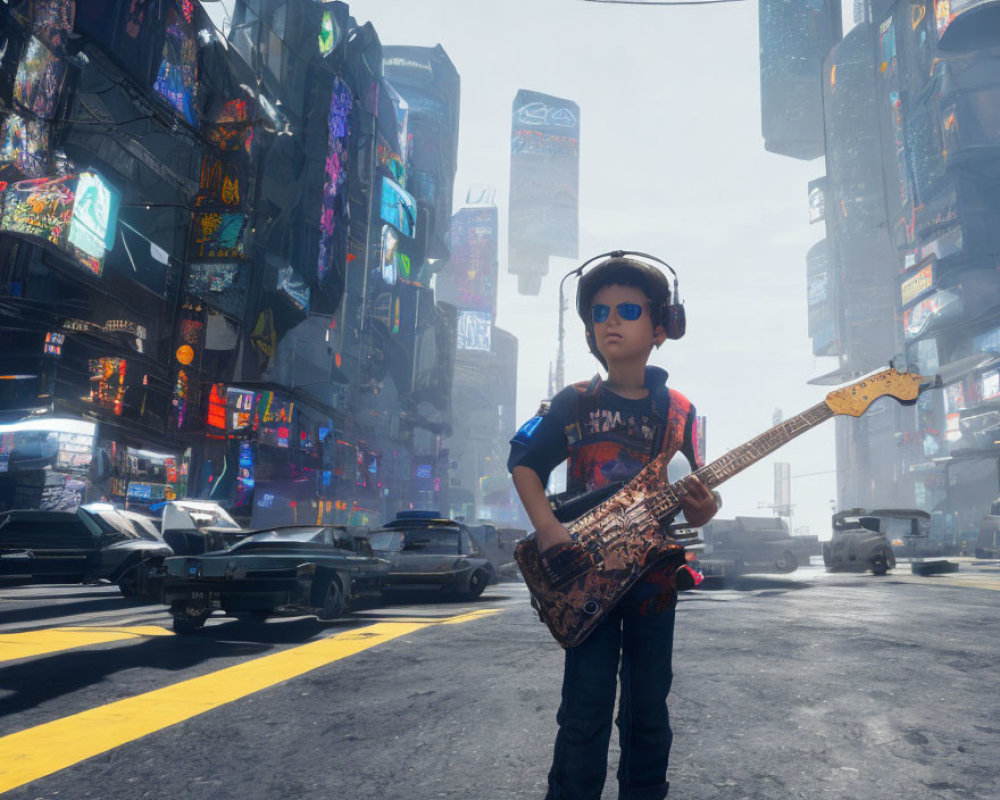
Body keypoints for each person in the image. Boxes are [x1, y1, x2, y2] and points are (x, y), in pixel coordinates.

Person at [507, 253, 718, 800]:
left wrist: (703, 508)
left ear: (662, 326)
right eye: (599, 312)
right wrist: (550, 532)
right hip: (585, 581)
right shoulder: (573, 402)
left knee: (649, 713)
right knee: (585, 712)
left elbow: (695, 489)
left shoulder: (680, 411)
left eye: (627, 309)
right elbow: (524, 463)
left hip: (654, 584)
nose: (611, 321)